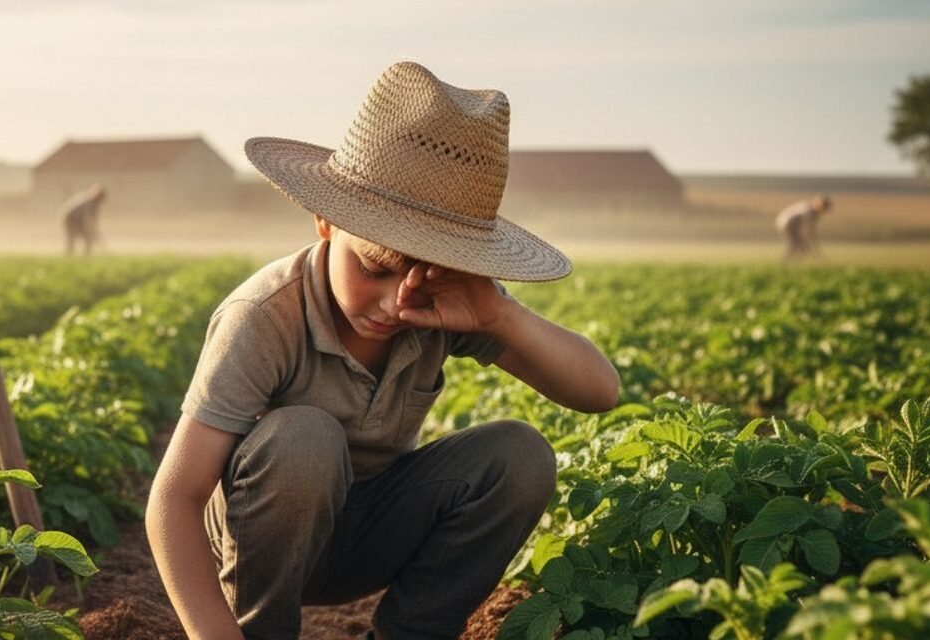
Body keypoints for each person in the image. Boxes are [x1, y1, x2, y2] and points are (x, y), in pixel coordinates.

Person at [145, 61, 620, 640]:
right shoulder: (263, 317)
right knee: (304, 439)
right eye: (374, 268)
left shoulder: (443, 299)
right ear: (325, 221)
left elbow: (600, 392)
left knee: (520, 456)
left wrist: (497, 312)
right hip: (262, 541)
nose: (398, 302)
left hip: (370, 536)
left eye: (430, 275)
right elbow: (174, 499)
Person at [775, 194, 831, 262]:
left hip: (791, 225)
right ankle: (785, 262)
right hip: (786, 225)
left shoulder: (810, 208)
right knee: (795, 245)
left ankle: (795, 262)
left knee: (801, 245)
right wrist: (816, 250)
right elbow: (809, 231)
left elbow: (809, 232)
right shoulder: (809, 212)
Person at [61, 183, 107, 255]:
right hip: (70, 219)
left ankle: (86, 255)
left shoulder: (94, 203)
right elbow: (88, 221)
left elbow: (92, 221)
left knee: (87, 237)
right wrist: (93, 233)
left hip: (77, 220)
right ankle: (71, 255)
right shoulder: (88, 203)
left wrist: (94, 233)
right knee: (73, 239)